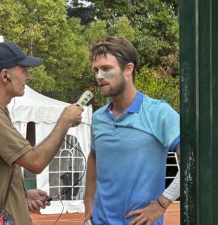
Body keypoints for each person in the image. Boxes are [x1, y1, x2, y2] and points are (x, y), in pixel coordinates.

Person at [0, 41, 83, 225]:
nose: (28, 77)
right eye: (24, 70)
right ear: (5, 75)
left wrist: (23, 195)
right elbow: (35, 162)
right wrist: (64, 121)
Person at [84, 37, 180, 225]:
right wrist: (88, 202)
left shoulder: (159, 112)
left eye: (106, 69)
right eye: (96, 70)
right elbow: (94, 158)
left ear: (128, 69)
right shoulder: (98, 118)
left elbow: (192, 160)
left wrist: (162, 203)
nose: (99, 76)